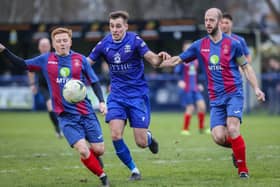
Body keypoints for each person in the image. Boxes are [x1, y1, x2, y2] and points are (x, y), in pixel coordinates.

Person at [160, 8, 265, 179]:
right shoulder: (199, 45)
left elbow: (246, 67)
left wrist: (256, 88)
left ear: (219, 21)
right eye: (206, 20)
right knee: (218, 137)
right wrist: (158, 61)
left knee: (232, 128)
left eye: (211, 20)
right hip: (216, 98)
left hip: (233, 93)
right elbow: (177, 59)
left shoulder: (233, 44)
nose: (207, 23)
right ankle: (237, 148)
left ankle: (243, 170)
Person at [0, 27, 110, 187]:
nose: (62, 43)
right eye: (58, 41)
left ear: (70, 41)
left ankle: (94, 158)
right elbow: (22, 65)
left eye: (65, 40)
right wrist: (4, 50)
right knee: (83, 150)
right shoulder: (46, 59)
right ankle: (103, 177)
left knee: (99, 150)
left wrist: (101, 101)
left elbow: (94, 81)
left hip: (86, 113)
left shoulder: (80, 59)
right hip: (65, 116)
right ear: (53, 43)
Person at [87, 10, 169, 181]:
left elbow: (153, 60)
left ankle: (148, 137)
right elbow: (87, 64)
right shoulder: (104, 44)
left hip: (137, 96)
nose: (115, 29)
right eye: (111, 26)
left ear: (125, 26)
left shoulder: (135, 41)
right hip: (116, 96)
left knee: (141, 143)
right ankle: (134, 170)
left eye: (118, 26)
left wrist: (160, 57)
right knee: (116, 135)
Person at [28, 37, 63, 138]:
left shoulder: (55, 56)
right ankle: (57, 128)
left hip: (56, 85)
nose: (44, 47)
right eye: (42, 46)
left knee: (61, 107)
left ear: (50, 46)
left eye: (46, 45)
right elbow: (30, 71)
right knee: (50, 106)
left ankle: (64, 126)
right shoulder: (36, 59)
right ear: (39, 47)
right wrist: (32, 84)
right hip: (44, 86)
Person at [174, 41, 207, 135]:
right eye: (187, 48)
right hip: (187, 88)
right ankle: (185, 129)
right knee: (190, 108)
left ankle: (201, 129)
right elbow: (176, 72)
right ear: (183, 49)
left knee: (202, 106)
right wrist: (179, 81)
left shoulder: (196, 59)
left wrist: (200, 84)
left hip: (195, 88)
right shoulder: (182, 60)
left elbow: (200, 72)